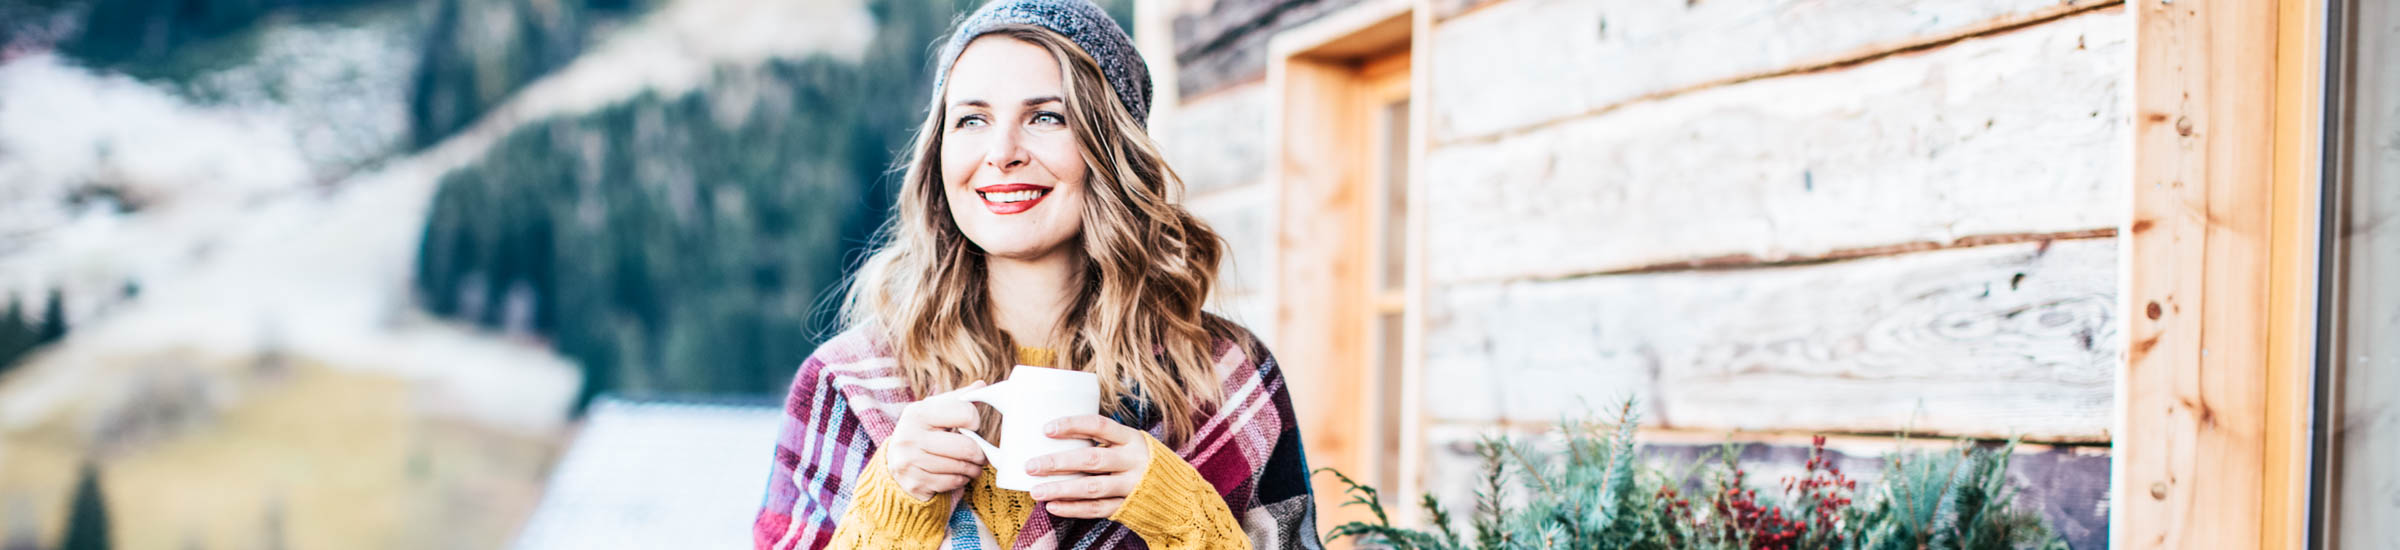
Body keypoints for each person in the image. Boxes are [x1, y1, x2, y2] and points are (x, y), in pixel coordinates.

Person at [750, 1, 1320, 548]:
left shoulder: (1226, 379)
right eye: (971, 119)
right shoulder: (849, 386)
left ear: (1110, 148)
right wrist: (894, 511)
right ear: (938, 155)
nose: (1001, 152)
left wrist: (1183, 516)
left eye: (1046, 116)